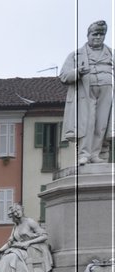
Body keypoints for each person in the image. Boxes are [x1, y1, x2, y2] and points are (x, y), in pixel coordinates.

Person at [61, 19, 113, 165]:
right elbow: (64, 76)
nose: (98, 37)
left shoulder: (111, 53)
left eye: (101, 34)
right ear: (88, 35)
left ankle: (95, 154)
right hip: (85, 93)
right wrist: (78, 72)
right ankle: (84, 154)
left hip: (107, 93)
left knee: (101, 124)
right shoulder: (76, 55)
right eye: (95, 34)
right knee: (87, 123)